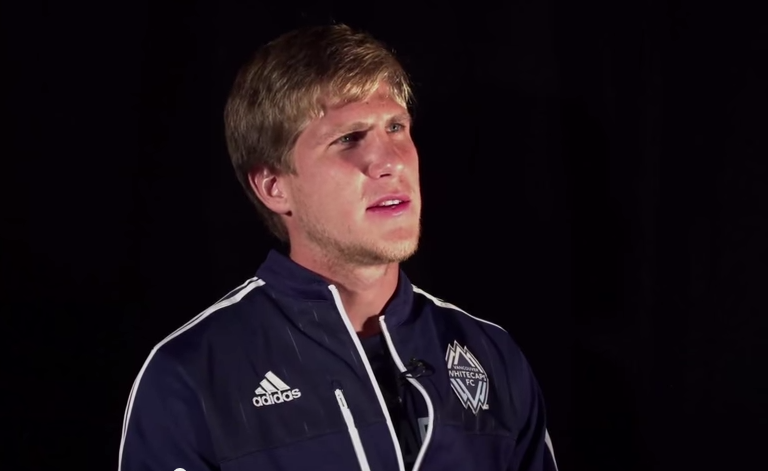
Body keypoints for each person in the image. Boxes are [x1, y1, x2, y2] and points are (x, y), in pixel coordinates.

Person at [118, 24, 558, 471]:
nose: (391, 161)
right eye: (348, 138)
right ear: (274, 187)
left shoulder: (491, 354)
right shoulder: (191, 377)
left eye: (396, 127)